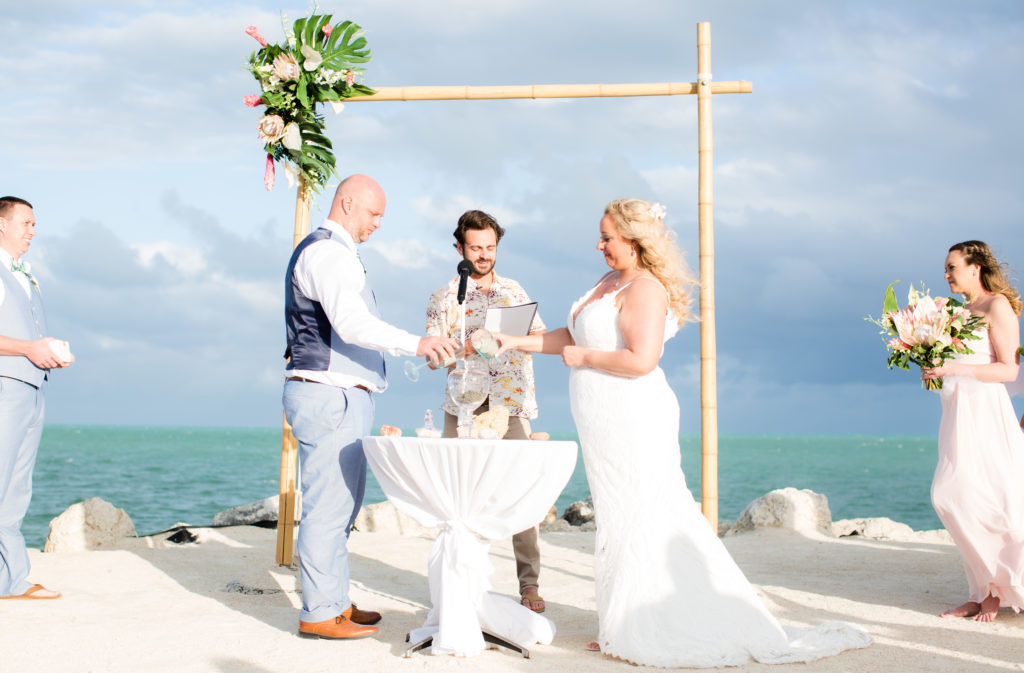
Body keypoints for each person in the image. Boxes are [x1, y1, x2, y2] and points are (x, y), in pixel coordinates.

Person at [494, 199, 870, 666]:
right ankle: (624, 620)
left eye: (608, 237)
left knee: (644, 512)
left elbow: (641, 359)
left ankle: (650, 622)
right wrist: (516, 342)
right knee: (618, 515)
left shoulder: (646, 288)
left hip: (632, 417)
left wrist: (586, 359)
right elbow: (571, 337)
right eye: (601, 236)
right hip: (602, 422)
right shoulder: (609, 282)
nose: (600, 245)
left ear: (634, 239)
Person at [283, 175, 457, 640]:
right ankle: (319, 611)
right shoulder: (326, 254)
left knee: (343, 507)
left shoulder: (335, 255)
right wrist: (416, 343)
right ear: (347, 203)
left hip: (340, 395)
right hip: (330, 393)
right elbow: (352, 324)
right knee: (327, 508)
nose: (379, 223)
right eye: (374, 213)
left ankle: (333, 599)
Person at [424, 209, 548, 612]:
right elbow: (431, 358)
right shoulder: (443, 297)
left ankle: (529, 584)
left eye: (490, 247)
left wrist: (507, 337)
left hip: (509, 404)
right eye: (475, 248)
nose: (483, 255)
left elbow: (540, 336)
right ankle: (459, 579)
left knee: (521, 492)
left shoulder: (514, 289)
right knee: (455, 494)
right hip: (462, 405)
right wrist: (464, 347)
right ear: (459, 247)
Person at [922, 240, 1024, 622]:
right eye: (946, 269)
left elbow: (1009, 371)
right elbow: (953, 361)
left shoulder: (997, 305)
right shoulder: (956, 311)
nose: (946, 275)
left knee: (983, 497)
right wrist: (934, 369)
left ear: (974, 268)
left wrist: (953, 369)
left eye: (952, 267)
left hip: (986, 413)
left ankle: (993, 591)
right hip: (956, 413)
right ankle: (980, 591)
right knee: (952, 496)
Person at [0, 196, 71, 601]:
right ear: (2, 225)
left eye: (34, 224)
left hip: (30, 389)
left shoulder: (24, 275)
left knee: (15, 490)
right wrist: (30, 348)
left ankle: (9, 579)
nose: (32, 230)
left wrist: (45, 353)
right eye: (25, 223)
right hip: (6, 388)